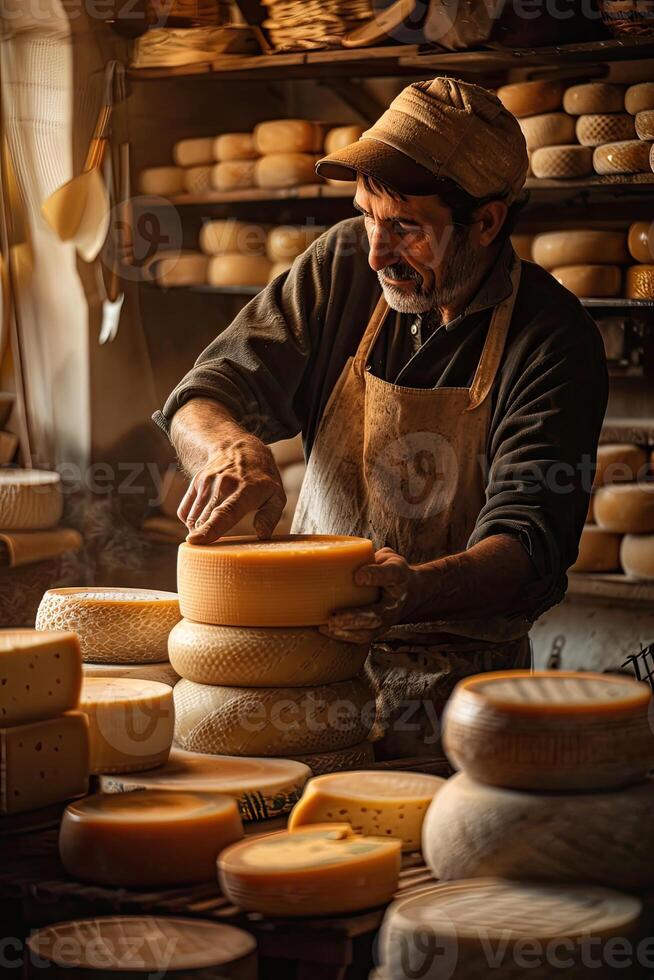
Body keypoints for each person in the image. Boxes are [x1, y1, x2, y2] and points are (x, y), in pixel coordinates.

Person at [154, 77, 608, 758]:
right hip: (305, 678)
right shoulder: (341, 265)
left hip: (457, 701)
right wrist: (227, 448)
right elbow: (204, 393)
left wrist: (411, 592)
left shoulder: (553, 340)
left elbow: (528, 544)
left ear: (485, 222)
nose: (376, 251)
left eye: (405, 228)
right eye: (367, 216)